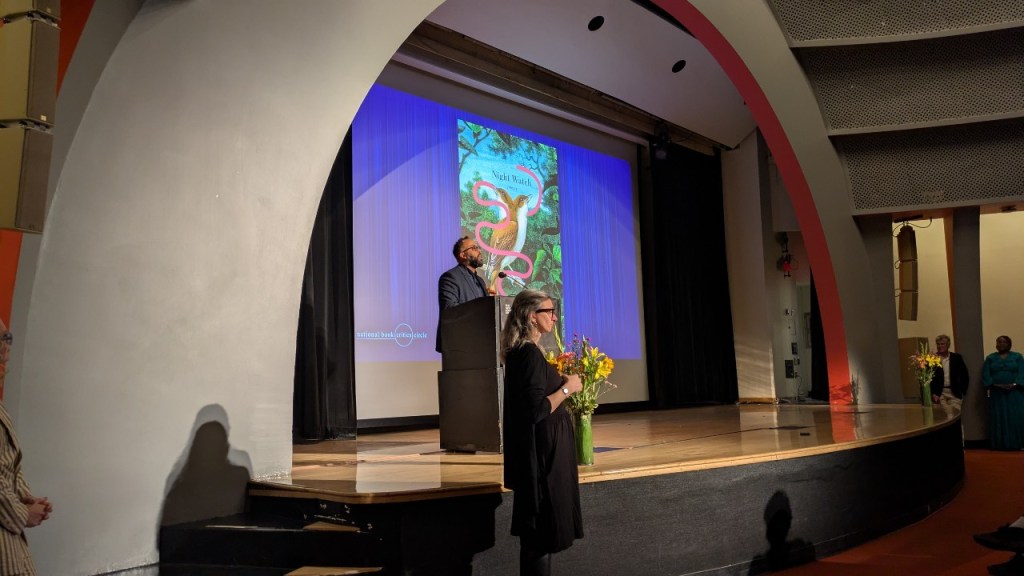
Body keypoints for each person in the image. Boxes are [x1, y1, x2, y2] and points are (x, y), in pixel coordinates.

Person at [500, 290, 583, 576]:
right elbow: (536, 410)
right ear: (532, 316)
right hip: (542, 461)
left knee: (541, 536)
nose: (555, 317)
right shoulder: (528, 354)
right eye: (549, 311)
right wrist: (568, 388)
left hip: (542, 455)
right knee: (539, 536)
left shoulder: (524, 353)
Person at [0, 318, 53, 576]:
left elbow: (9, 464)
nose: (6, 348)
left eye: (7, 338)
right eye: (2, 340)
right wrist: (21, 513)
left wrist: (25, 497)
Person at [435, 236, 492, 353]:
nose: (479, 251)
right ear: (463, 255)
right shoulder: (450, 277)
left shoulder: (480, 281)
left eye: (478, 247)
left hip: (481, 342)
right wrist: (480, 305)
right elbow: (449, 310)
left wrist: (490, 302)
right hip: (458, 345)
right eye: (474, 248)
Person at [982, 335, 1024, 450]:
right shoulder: (990, 358)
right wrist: (996, 385)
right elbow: (986, 375)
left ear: (1009, 344)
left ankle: (1017, 444)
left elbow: (1022, 372)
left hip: (1015, 392)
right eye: (999, 342)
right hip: (997, 393)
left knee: (1015, 417)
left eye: (1004, 342)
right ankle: (1000, 444)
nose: (1001, 344)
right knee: (999, 417)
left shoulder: (1017, 357)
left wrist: (1015, 384)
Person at [930, 334, 969, 408]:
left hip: (954, 392)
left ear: (948, 345)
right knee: (943, 414)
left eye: (942, 344)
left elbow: (964, 375)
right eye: (938, 344)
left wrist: (962, 390)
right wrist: (933, 393)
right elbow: (929, 378)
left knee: (954, 412)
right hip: (939, 393)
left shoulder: (956, 358)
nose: (940, 346)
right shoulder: (932, 359)